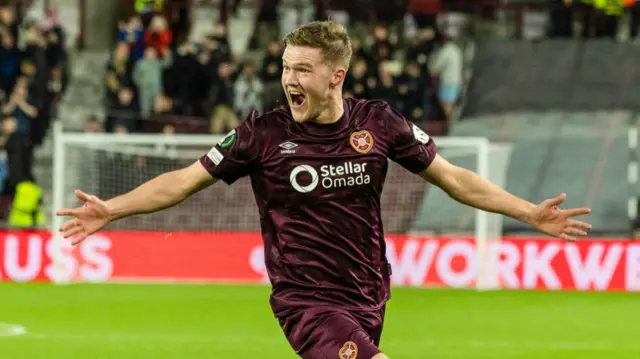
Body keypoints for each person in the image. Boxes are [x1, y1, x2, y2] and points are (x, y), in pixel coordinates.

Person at [56, 21, 592, 359]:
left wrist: (528, 212)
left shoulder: (379, 124)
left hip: (369, 292)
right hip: (306, 301)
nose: (290, 79)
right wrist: (113, 208)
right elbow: (185, 180)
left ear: (336, 75)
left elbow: (452, 178)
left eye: (304, 70)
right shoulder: (261, 133)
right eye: (287, 67)